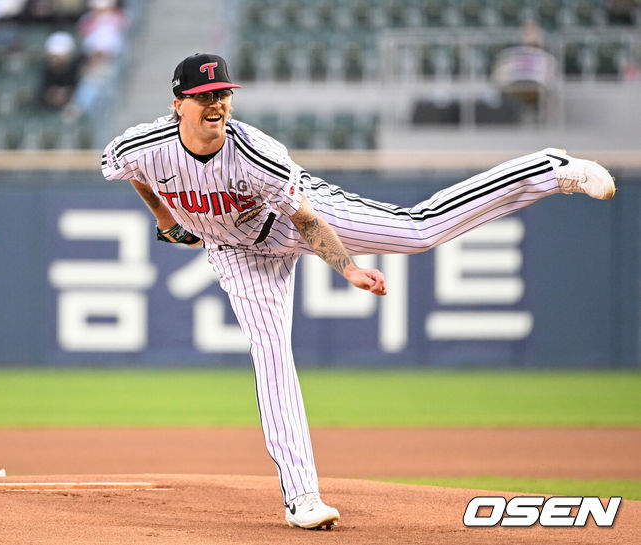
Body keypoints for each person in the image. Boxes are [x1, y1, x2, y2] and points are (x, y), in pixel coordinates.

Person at [101, 53, 616, 530]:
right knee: (270, 353)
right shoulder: (141, 147)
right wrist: (165, 216)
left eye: (222, 94)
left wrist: (347, 269)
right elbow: (130, 170)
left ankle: (546, 169)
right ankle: (302, 498)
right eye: (203, 96)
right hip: (235, 252)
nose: (216, 104)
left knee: (417, 231)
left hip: (296, 219)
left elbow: (306, 221)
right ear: (179, 104)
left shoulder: (257, 153)